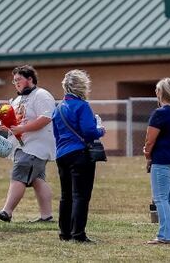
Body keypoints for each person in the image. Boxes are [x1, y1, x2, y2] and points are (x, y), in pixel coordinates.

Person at [0, 65, 57, 223]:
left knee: (18, 175)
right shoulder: (17, 99)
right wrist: (4, 125)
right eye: (14, 81)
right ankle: (46, 216)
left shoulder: (41, 95)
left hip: (35, 146)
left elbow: (46, 118)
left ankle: (7, 212)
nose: (16, 83)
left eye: (19, 80)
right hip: (22, 145)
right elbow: (16, 122)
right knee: (37, 180)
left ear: (30, 79)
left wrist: (22, 128)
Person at [51, 69, 105, 243]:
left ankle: (64, 233)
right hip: (79, 154)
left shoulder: (58, 108)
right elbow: (89, 131)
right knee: (81, 195)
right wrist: (101, 130)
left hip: (62, 154)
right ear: (82, 87)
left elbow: (56, 134)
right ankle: (78, 234)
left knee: (66, 195)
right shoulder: (82, 106)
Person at [143, 77, 170, 245]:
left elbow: (150, 140)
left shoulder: (160, 113)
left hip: (163, 161)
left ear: (161, 93)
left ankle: (164, 235)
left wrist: (147, 155)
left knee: (161, 198)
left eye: (157, 90)